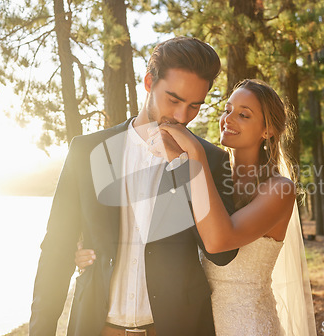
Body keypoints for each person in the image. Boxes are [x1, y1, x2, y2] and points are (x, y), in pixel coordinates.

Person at [30, 36, 238, 336]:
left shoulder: (210, 160)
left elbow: (221, 254)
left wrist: (192, 162)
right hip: (96, 327)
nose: (182, 117)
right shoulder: (87, 151)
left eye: (194, 106)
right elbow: (56, 250)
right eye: (174, 100)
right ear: (149, 82)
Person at [77, 79, 317, 335]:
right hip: (195, 320)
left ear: (267, 130)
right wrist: (90, 248)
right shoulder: (209, 177)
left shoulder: (279, 190)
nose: (228, 119)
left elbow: (218, 242)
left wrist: (194, 154)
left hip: (247, 324)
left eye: (243, 115)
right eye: (227, 110)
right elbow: (152, 231)